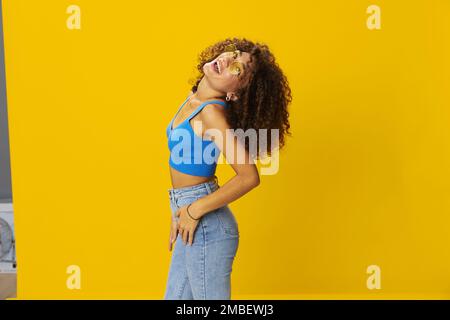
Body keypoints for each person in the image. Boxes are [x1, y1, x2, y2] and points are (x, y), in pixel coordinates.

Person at [164, 37, 292, 300]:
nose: (228, 60)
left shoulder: (211, 113)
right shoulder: (194, 100)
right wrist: (178, 211)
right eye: (233, 54)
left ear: (235, 94)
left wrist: (192, 209)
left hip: (206, 223)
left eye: (238, 69)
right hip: (188, 215)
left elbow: (249, 177)